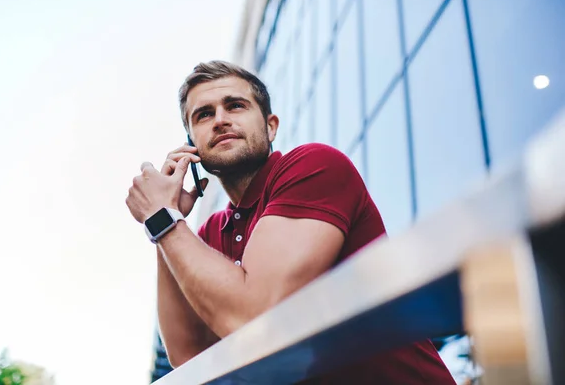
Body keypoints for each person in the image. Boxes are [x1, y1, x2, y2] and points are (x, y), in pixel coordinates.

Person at [125, 60, 455, 384]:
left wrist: (165, 220)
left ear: (271, 126)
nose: (220, 120)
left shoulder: (314, 166)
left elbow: (257, 321)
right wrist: (167, 218)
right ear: (191, 145)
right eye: (204, 114)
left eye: (235, 106)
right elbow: (189, 358)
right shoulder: (205, 233)